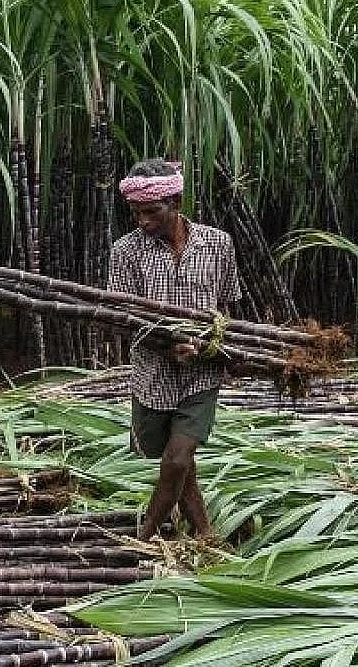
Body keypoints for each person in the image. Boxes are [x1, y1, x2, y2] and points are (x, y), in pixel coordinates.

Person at [107, 158, 242, 542]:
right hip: (153, 374)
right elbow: (126, 318)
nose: (144, 221)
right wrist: (169, 347)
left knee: (178, 457)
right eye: (136, 213)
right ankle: (204, 533)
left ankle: (145, 536)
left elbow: (227, 308)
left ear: (177, 201)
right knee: (174, 462)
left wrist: (207, 346)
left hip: (202, 372)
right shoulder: (125, 252)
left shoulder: (218, 244)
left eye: (152, 211)